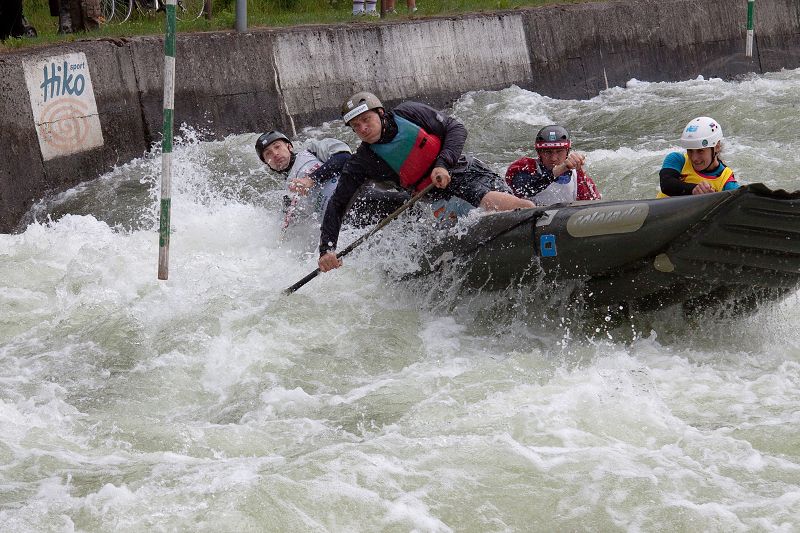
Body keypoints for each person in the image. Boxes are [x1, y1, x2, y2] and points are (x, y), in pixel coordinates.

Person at [317, 91, 534, 272]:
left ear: (380, 113)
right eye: (356, 126)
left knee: (507, 204)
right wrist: (327, 249)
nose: (363, 129)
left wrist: (442, 164)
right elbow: (337, 203)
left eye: (366, 120)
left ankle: (536, 220)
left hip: (463, 172)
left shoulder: (409, 113)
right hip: (434, 199)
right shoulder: (361, 162)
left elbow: (456, 128)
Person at [504, 125, 601, 204]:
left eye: (559, 151)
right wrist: (559, 170)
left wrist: (581, 173)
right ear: (539, 153)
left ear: (567, 152)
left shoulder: (577, 176)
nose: (553, 158)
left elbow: (592, 202)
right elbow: (522, 190)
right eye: (548, 152)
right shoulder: (525, 167)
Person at [658, 116, 740, 197]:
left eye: (700, 151)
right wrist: (693, 190)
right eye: (690, 150)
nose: (694, 158)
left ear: (717, 147)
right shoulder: (677, 159)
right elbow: (666, 185)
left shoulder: (726, 181)